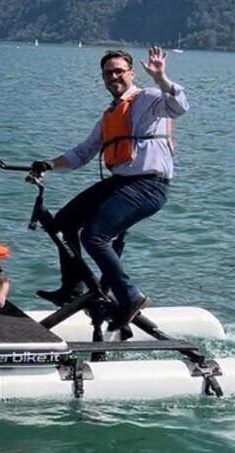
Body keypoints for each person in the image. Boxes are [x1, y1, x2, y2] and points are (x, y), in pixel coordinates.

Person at [31, 46, 188, 331]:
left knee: (95, 236)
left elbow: (179, 106)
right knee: (62, 223)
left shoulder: (149, 99)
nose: (113, 76)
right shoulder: (109, 115)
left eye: (118, 71)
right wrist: (47, 165)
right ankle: (73, 288)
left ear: (131, 73)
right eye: (107, 73)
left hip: (148, 185)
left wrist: (161, 78)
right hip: (120, 183)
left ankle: (130, 296)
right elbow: (82, 153)